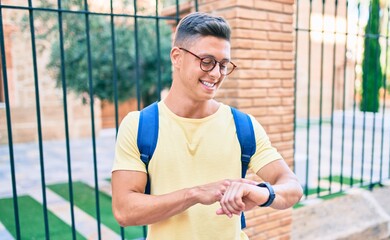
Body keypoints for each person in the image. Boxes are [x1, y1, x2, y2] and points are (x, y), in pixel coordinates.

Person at [111, 12, 303, 240]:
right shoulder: (139, 126)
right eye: (207, 61)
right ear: (177, 57)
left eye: (223, 64)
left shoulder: (244, 126)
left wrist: (262, 192)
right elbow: (124, 211)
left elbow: (292, 187)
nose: (216, 73)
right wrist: (195, 194)